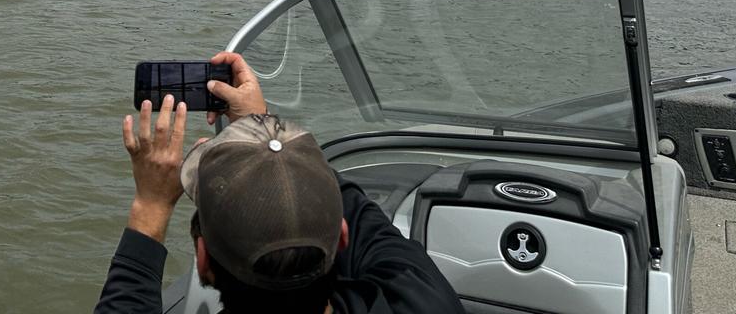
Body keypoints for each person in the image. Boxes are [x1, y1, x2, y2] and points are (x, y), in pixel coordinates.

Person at [94, 52, 463, 314]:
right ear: (342, 237)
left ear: (203, 260)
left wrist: (152, 206)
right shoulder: (422, 301)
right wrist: (267, 133)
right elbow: (373, 229)